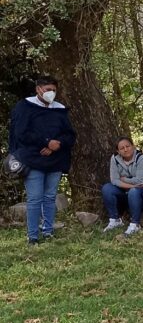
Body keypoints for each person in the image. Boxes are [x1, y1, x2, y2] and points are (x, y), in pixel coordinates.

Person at [9, 76, 77, 245]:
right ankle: (32, 236)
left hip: (55, 160)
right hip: (32, 159)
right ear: (38, 89)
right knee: (34, 198)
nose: (51, 93)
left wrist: (57, 144)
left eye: (53, 90)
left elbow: (69, 134)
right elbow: (21, 133)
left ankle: (48, 231)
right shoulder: (25, 107)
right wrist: (46, 141)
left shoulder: (59, 109)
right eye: (47, 90)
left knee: (50, 197)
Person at [102, 137, 143, 236]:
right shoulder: (115, 159)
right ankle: (115, 220)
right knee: (107, 188)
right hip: (126, 190)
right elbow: (114, 180)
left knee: (134, 191)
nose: (125, 149)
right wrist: (130, 185)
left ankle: (135, 224)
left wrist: (123, 179)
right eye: (122, 148)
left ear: (133, 146)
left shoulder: (141, 158)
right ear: (118, 151)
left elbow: (141, 181)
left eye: (128, 146)